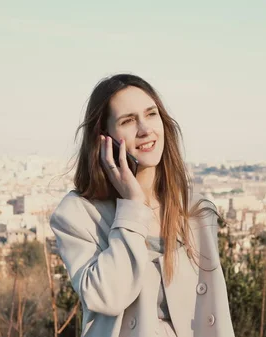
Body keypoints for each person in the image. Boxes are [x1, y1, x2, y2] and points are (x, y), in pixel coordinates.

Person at [50, 73, 235, 337]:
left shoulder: (197, 212)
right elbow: (106, 297)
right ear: (104, 138)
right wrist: (132, 206)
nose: (145, 129)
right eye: (128, 121)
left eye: (151, 114)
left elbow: (218, 313)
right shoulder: (78, 215)